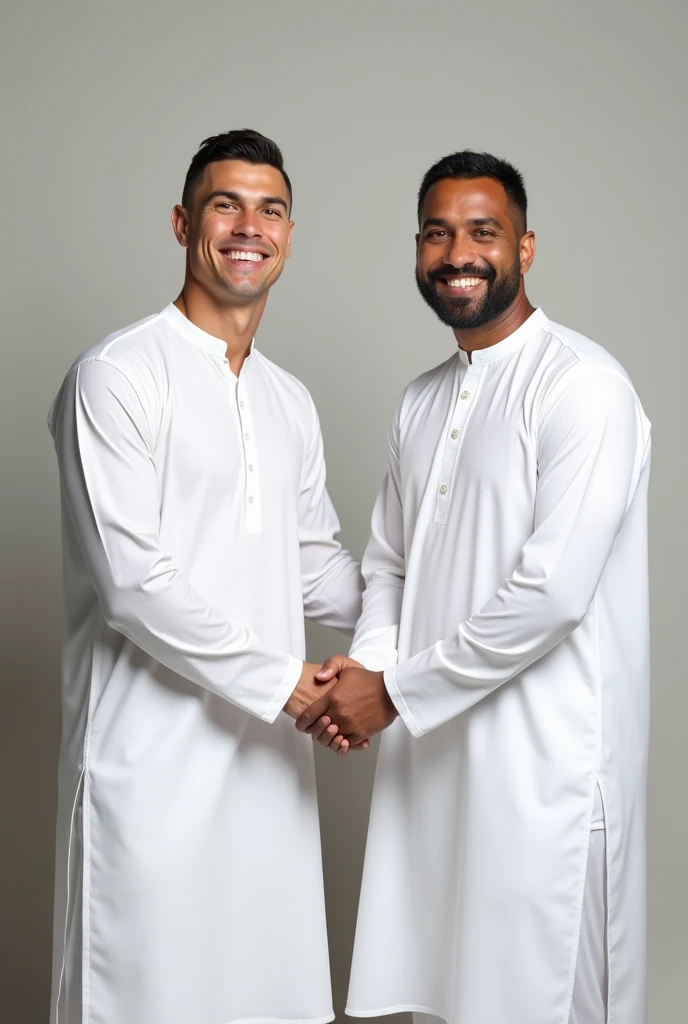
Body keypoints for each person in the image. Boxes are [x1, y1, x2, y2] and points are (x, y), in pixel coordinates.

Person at [300, 151, 651, 1024]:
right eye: (437, 232)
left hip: (546, 770)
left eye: (483, 232)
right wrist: (368, 673)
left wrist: (392, 692)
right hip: (434, 768)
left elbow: (553, 592)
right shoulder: (421, 402)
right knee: (446, 998)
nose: (458, 252)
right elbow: (391, 565)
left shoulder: (584, 386)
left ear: (525, 248)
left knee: (538, 997)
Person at [47, 129, 363, 1024]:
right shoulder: (116, 376)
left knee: (264, 998)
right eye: (226, 203)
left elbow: (311, 564)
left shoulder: (287, 397)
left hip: (266, 772)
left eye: (269, 209)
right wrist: (291, 688)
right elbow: (132, 582)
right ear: (185, 221)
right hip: (150, 765)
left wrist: (415, 627)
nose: (247, 226)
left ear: (290, 237)